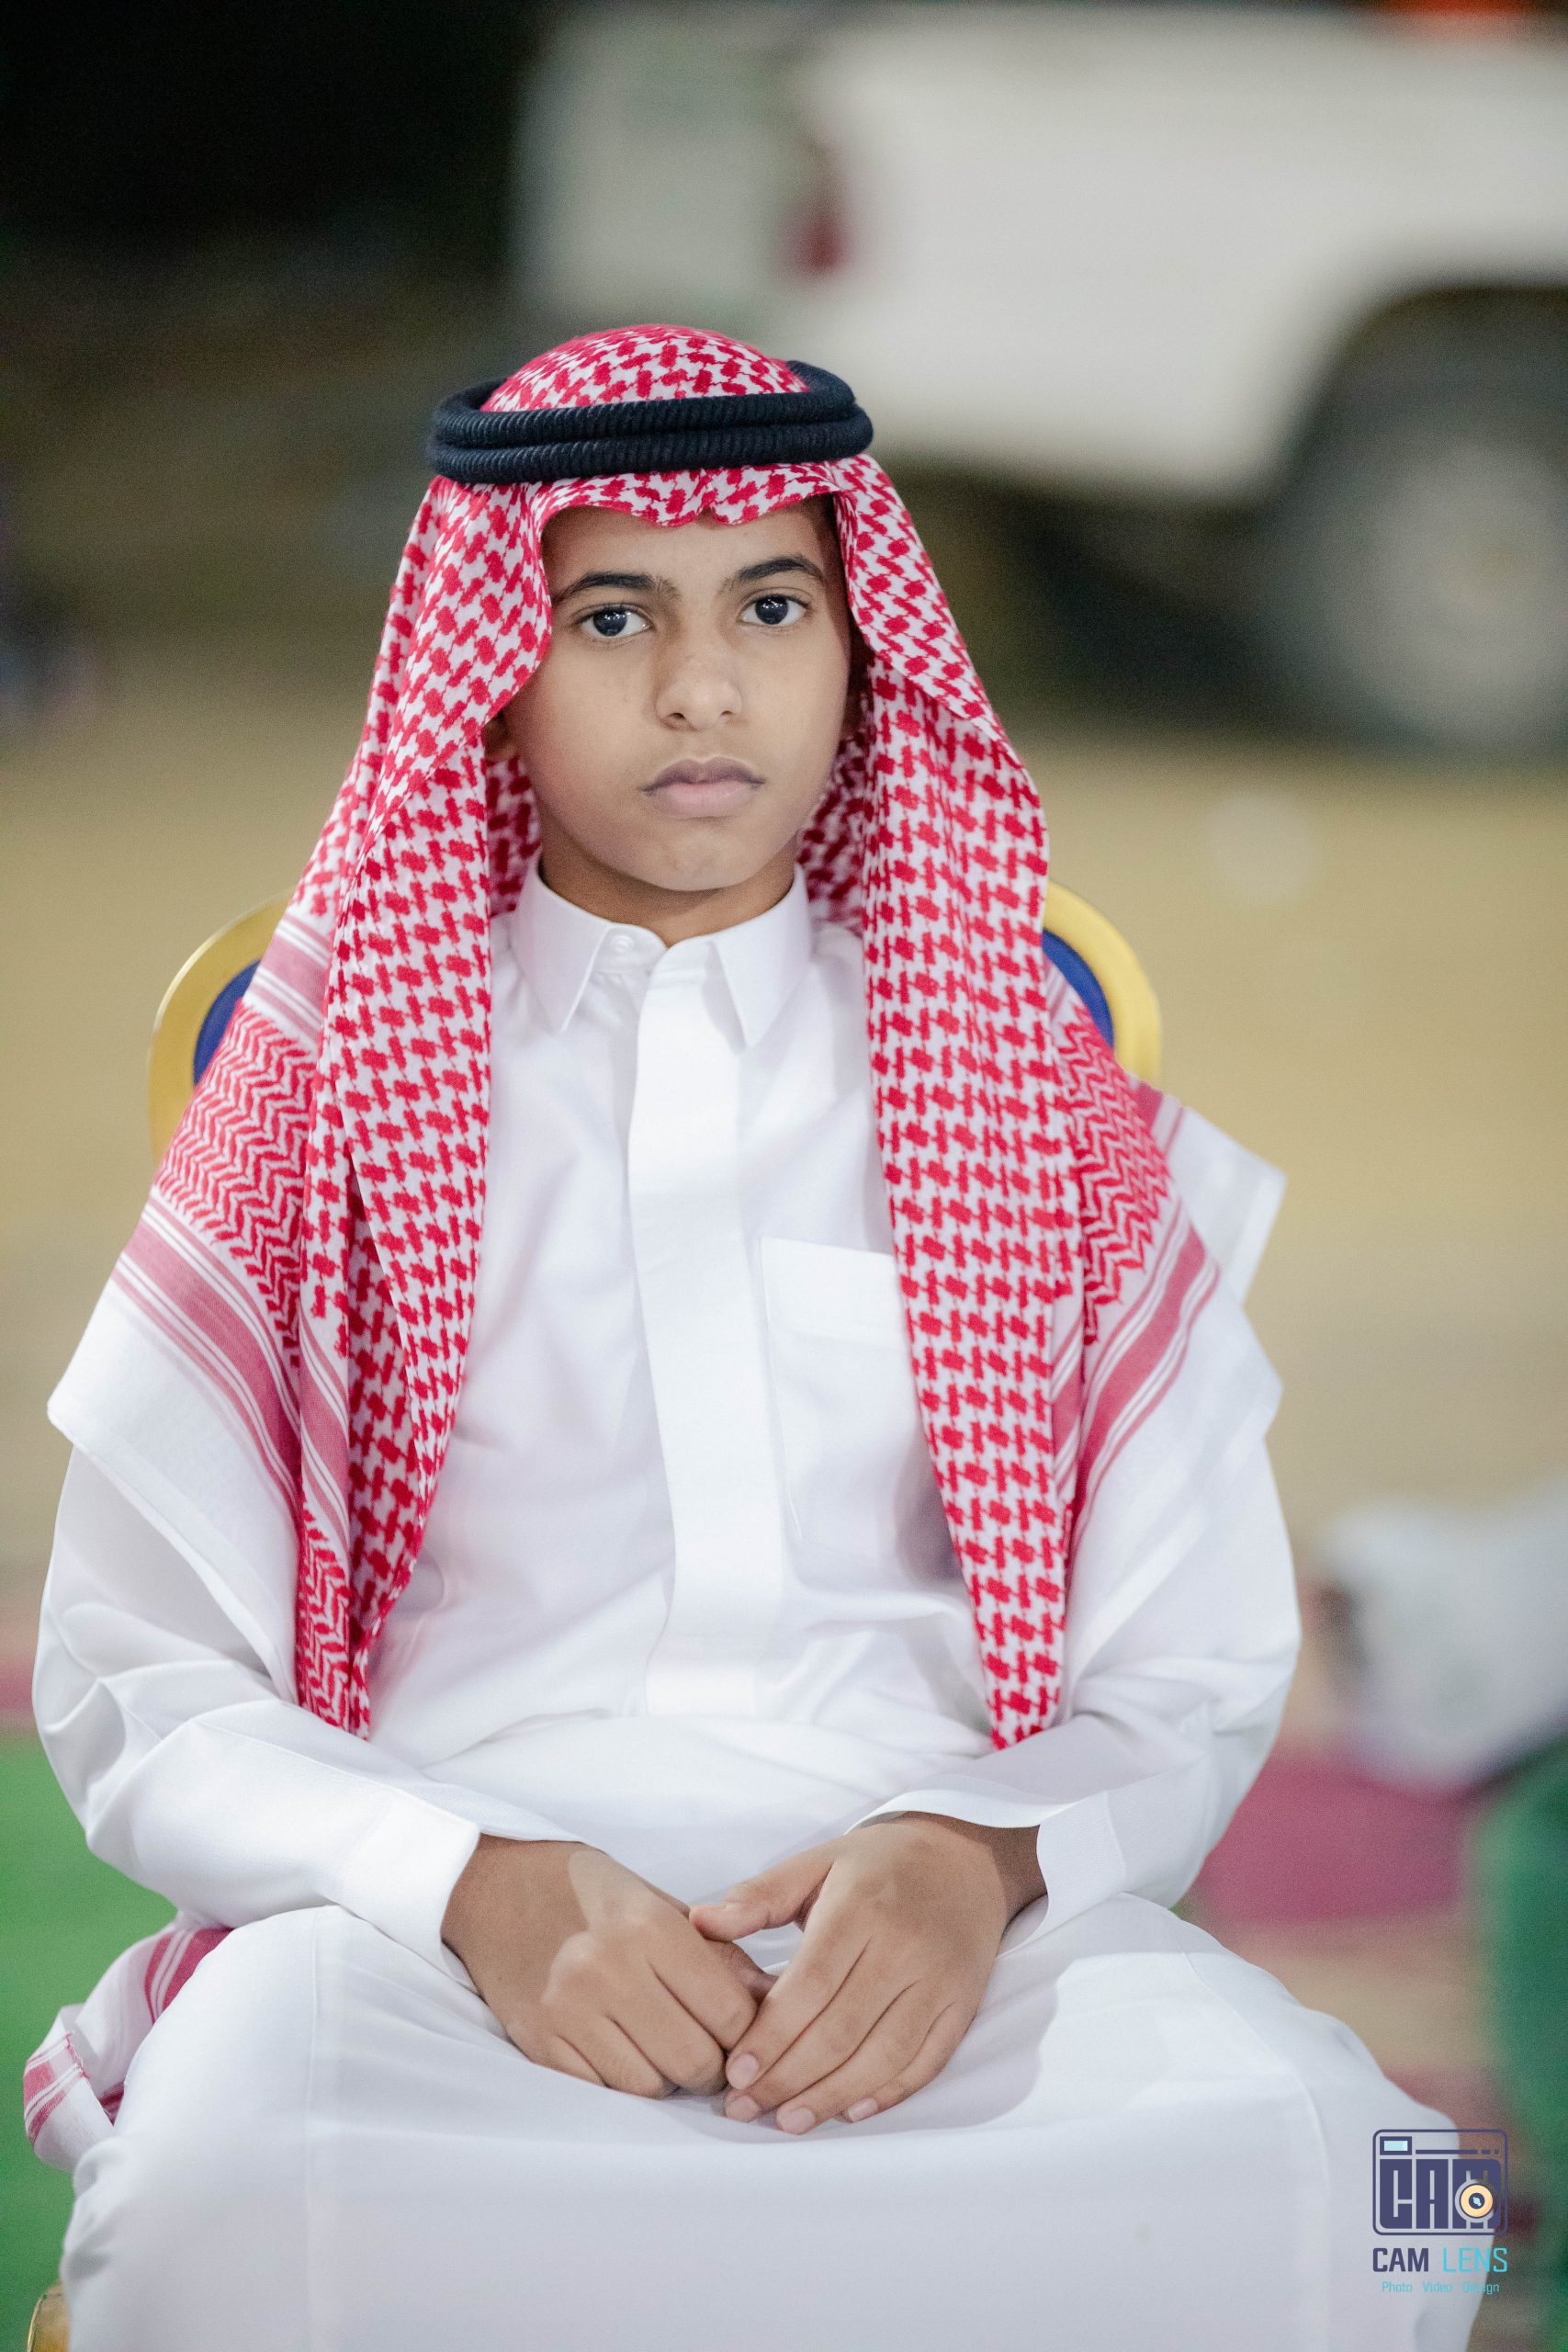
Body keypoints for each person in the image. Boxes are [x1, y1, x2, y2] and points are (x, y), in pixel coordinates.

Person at [24, 326, 1479, 2351]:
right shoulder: (332, 1084)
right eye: (613, 614)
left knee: (1386, 2202)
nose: (703, 686)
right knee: (215, 2214)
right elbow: (141, 1675)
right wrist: (474, 1879)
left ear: (859, 645)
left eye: (772, 608)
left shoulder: (1018, 1084)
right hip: (436, 1943)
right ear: (496, 657)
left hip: (939, 1947)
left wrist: (973, 1859)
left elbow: (1188, 1658)